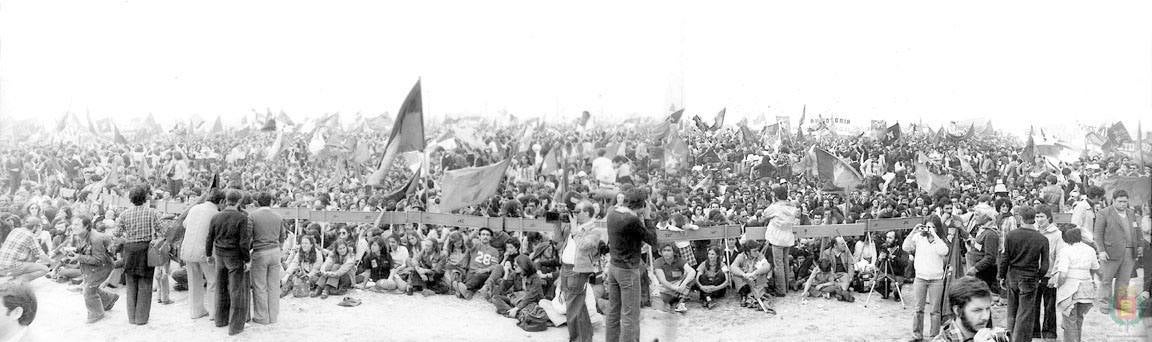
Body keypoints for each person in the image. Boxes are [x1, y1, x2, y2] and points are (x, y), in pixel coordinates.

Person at [605, 188, 658, 342]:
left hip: (614, 267)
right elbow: (652, 240)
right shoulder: (632, 220)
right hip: (628, 270)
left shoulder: (612, 212)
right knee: (631, 315)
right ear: (641, 205)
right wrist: (647, 218)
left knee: (613, 312)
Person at [998, 205, 1049, 342]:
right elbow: (1045, 264)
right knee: (1025, 313)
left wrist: (1001, 276)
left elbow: (1005, 258)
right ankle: (1020, 339)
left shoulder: (1011, 235)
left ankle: (1010, 336)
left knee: (1011, 310)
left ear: (1020, 218)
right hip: (1030, 277)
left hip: (1013, 275)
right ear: (1034, 219)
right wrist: (1039, 276)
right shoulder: (1042, 239)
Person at [206, 189, 252, 336]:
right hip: (235, 256)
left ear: (226, 200)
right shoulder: (241, 218)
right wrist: (247, 259)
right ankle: (236, 327)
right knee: (236, 291)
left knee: (220, 288)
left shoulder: (216, 217)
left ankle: (220, 320)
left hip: (219, 255)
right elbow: (244, 243)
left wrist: (208, 254)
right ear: (239, 201)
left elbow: (209, 238)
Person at [555, 200, 603, 342]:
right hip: (565, 267)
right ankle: (585, 338)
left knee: (573, 306)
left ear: (587, 213)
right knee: (577, 306)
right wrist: (557, 223)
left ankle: (576, 339)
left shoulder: (594, 230)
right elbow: (557, 240)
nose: (574, 215)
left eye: (577, 212)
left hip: (578, 271)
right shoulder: (574, 227)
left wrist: (575, 229)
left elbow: (583, 246)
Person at [118, 185, 161, 325]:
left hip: (129, 250)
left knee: (131, 285)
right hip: (145, 250)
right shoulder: (152, 212)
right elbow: (163, 230)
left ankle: (131, 318)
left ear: (130, 199)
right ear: (145, 198)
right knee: (145, 284)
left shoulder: (124, 214)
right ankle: (141, 318)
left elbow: (116, 234)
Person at [1093, 190, 1140, 314]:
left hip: (1129, 252)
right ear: (1113, 201)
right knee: (1106, 279)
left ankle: (1120, 303)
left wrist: (1139, 245)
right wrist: (1101, 251)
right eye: (1120, 201)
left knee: (1124, 280)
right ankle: (1104, 304)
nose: (1123, 204)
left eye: (1125, 201)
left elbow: (1136, 230)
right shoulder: (1104, 213)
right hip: (1110, 252)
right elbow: (1097, 234)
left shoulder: (1131, 213)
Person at [904, 215, 950, 341]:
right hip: (920, 277)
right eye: (928, 226)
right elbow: (906, 247)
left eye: (933, 227)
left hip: (936, 278)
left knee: (935, 310)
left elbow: (944, 251)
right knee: (918, 308)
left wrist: (934, 236)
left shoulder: (940, 240)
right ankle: (917, 335)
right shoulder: (919, 237)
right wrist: (914, 231)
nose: (930, 229)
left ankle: (934, 336)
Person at [179, 189, 223, 320]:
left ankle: (196, 311)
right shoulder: (216, 213)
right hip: (205, 252)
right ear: (220, 201)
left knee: (194, 281)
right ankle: (213, 313)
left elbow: (184, 224)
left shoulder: (195, 208)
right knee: (212, 281)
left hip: (188, 249)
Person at [1052, 228, 1099, 342]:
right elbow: (1095, 268)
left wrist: (1058, 284)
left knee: (1069, 320)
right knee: (1079, 318)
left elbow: (1063, 274)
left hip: (1070, 287)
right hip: (1086, 286)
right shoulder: (1090, 250)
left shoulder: (1065, 250)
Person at [71, 215, 119, 323]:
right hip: (90, 266)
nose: (73, 227)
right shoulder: (78, 235)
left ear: (86, 226)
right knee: (92, 287)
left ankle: (96, 314)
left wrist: (79, 257)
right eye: (73, 224)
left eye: (77, 224)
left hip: (103, 266)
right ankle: (109, 299)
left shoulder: (96, 239)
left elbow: (99, 260)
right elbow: (82, 249)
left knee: (88, 291)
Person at [247, 191, 285, 325]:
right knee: (274, 286)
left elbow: (248, 237)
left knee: (259, 286)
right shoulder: (278, 216)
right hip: (275, 252)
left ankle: (262, 317)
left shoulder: (253, 216)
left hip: (260, 252)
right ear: (271, 202)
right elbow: (282, 237)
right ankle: (273, 316)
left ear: (257, 202)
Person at [932, 276, 1007, 342]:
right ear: (957, 311)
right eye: (977, 310)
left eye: (987, 309)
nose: (985, 317)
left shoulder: (997, 336)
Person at [762, 186, 798, 297]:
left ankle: (781, 290)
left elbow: (765, 214)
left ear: (776, 196)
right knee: (785, 262)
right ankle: (786, 287)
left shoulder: (775, 207)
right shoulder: (792, 207)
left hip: (777, 238)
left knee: (778, 265)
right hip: (788, 237)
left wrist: (773, 203)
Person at [1033, 205, 1062, 340]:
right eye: (1037, 216)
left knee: (1049, 306)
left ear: (1048, 217)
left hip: (1048, 275)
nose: (1039, 219)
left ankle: (1049, 333)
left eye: (1042, 217)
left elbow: (1059, 256)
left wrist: (1054, 275)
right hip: (1034, 274)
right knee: (1034, 305)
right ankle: (1034, 332)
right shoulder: (1032, 231)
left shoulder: (1056, 234)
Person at [653, 243, 696, 313]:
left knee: (692, 279)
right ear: (661, 252)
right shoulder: (658, 262)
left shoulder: (680, 260)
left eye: (669, 250)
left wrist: (683, 285)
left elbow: (692, 271)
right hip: (666, 287)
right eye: (664, 250)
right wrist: (675, 288)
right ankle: (674, 299)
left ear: (674, 252)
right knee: (661, 305)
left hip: (679, 285)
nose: (666, 253)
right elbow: (662, 280)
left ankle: (681, 302)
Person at [730, 239, 772, 311]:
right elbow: (733, 267)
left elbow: (767, 266)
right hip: (745, 280)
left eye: (757, 250)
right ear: (747, 252)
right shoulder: (741, 256)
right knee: (736, 276)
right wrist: (743, 274)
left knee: (762, 275)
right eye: (754, 251)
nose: (757, 252)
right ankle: (744, 295)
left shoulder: (759, 256)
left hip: (756, 279)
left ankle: (754, 296)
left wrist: (755, 272)